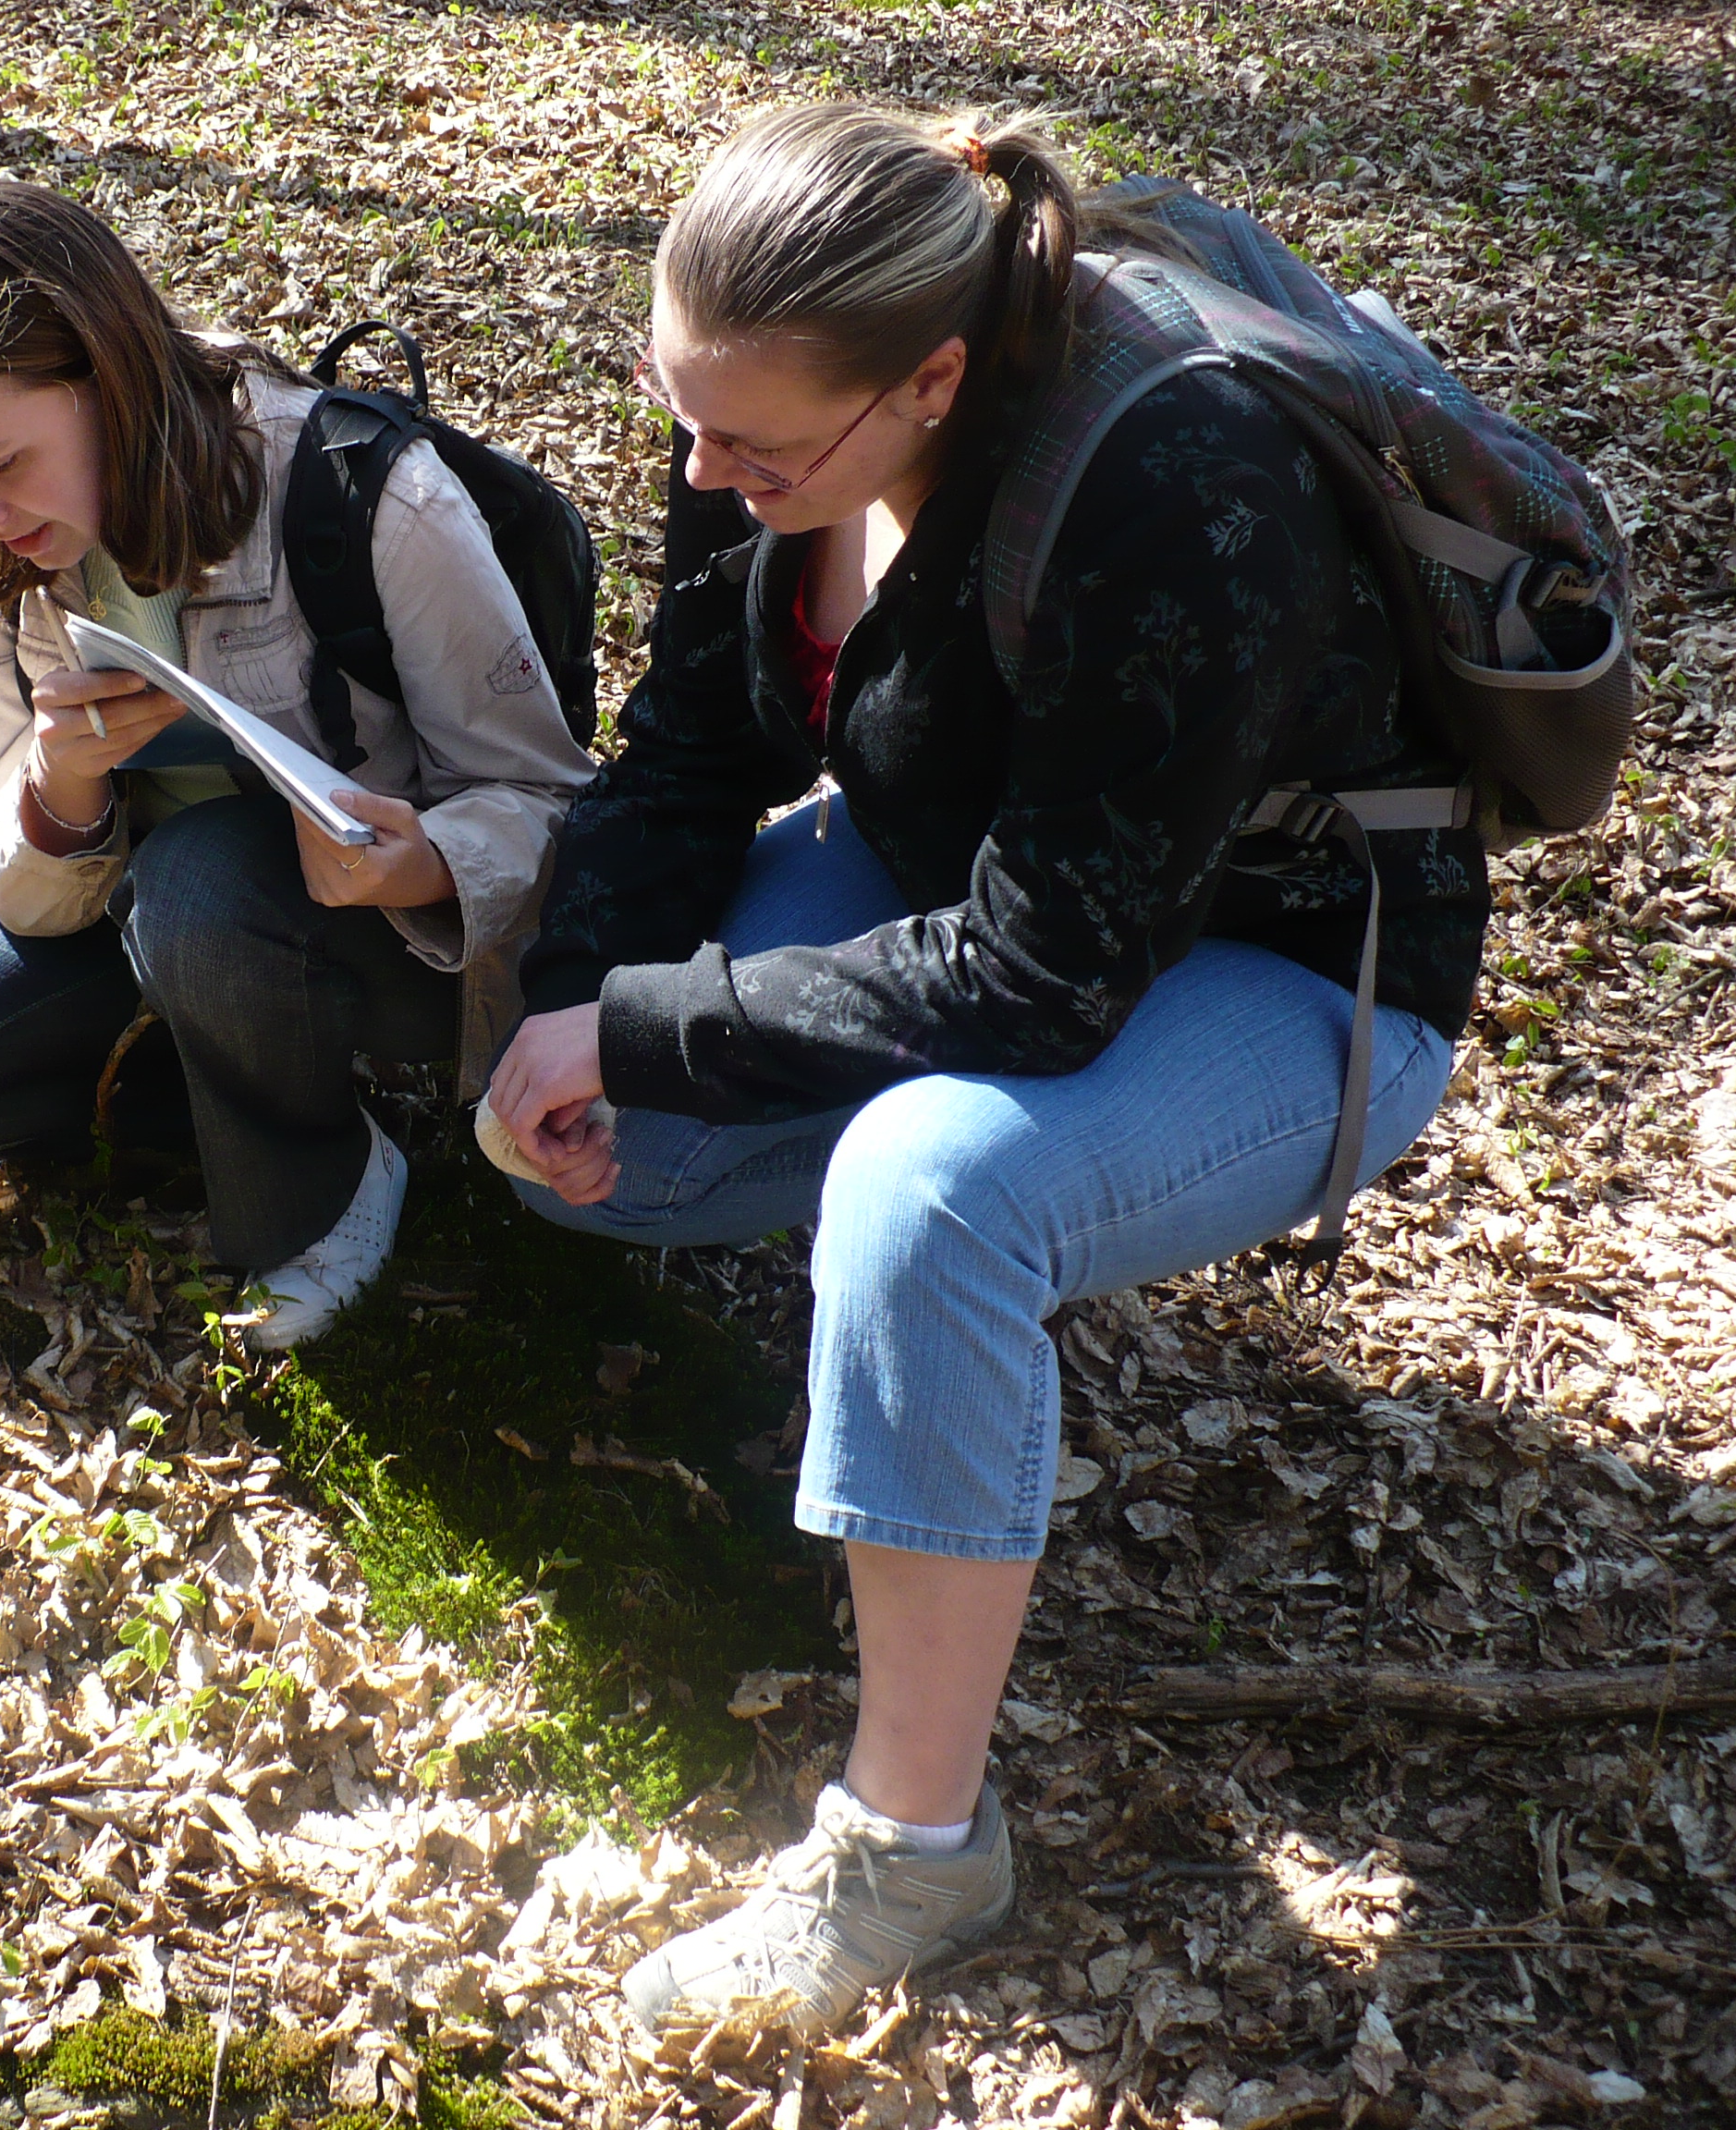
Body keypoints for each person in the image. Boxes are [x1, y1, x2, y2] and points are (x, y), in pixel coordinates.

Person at [483, 106, 1487, 2037]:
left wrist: (649, 1029)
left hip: (1298, 959)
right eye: (682, 418)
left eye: (752, 451)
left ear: (932, 380)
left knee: (929, 1192)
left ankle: (915, 1846)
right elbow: (688, 746)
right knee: (620, 1145)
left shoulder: (1176, 477)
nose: (702, 477)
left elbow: (1044, 974)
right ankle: (948, 1353)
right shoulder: (769, 412)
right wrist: (579, 1002)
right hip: (978, 865)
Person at [0, 180, 593, 1347]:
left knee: (199, 876)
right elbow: (12, 881)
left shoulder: (369, 496)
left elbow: (554, 802)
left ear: (108, 371)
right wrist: (60, 789)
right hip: (146, 928)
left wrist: (422, 863)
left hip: (389, 944)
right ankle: (211, 1080)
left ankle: (321, 1189)